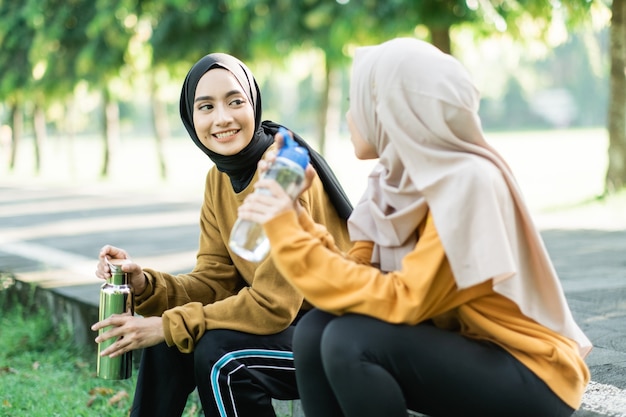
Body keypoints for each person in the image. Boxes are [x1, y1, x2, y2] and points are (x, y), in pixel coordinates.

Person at [237, 37, 592, 417]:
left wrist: (285, 227)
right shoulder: (390, 183)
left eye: (355, 103)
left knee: (349, 341)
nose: (349, 116)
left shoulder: (468, 181)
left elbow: (404, 299)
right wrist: (293, 212)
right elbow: (349, 284)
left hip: (532, 372)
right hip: (463, 348)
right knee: (315, 331)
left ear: (391, 108)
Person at [90, 52, 353, 417]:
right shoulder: (219, 179)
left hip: (339, 337)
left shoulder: (284, 172)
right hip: (293, 329)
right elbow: (216, 278)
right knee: (172, 335)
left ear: (254, 103)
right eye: (206, 106)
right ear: (190, 117)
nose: (223, 118)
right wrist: (146, 286)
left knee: (218, 354)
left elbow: (275, 305)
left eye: (235, 101)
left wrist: (167, 325)